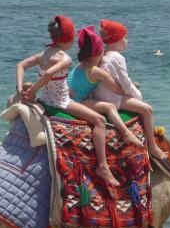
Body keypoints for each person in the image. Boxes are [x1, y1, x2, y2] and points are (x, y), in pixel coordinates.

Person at [16, 16, 119, 186]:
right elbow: (49, 74)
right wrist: (32, 90)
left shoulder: (44, 54)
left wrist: (21, 90)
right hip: (61, 101)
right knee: (99, 121)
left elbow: (20, 65)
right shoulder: (66, 59)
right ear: (70, 39)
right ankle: (103, 166)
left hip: (45, 99)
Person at [93, 19, 167, 160]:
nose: (127, 41)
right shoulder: (117, 57)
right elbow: (126, 84)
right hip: (111, 98)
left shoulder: (103, 53)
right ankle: (152, 147)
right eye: (125, 38)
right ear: (116, 39)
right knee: (147, 109)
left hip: (99, 94)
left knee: (135, 88)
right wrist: (138, 96)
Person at [67, 26, 142, 148]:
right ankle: (126, 133)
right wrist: (134, 87)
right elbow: (117, 89)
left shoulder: (80, 65)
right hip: (79, 102)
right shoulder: (96, 71)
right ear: (98, 52)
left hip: (72, 100)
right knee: (110, 107)